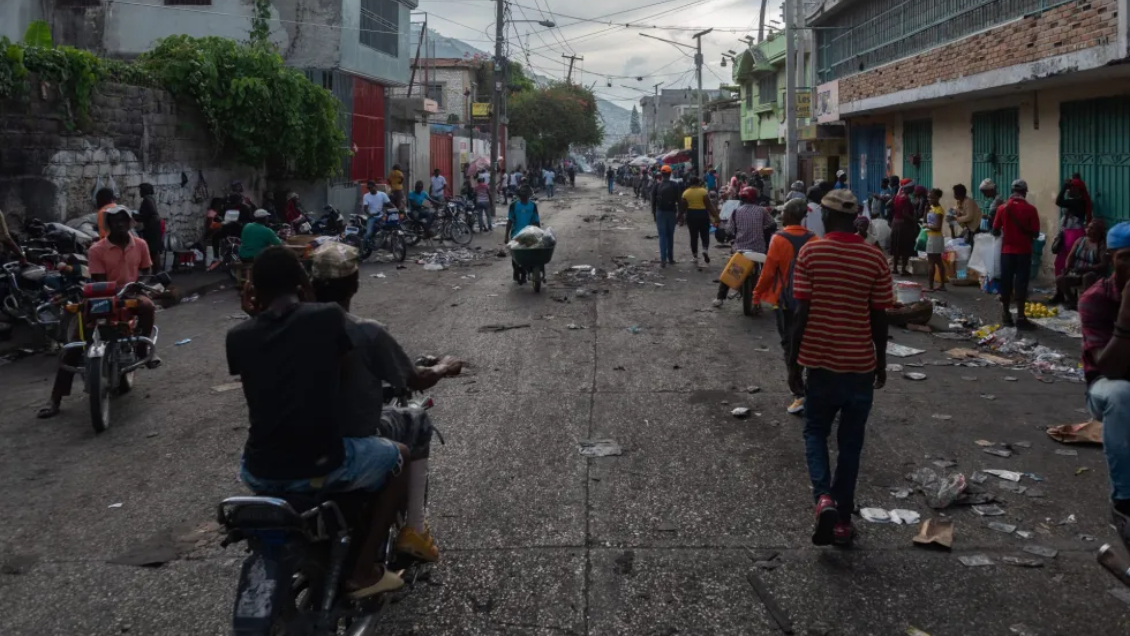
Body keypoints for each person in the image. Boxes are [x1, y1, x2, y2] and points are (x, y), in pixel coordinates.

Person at [229, 246, 407, 599]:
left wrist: (254, 313)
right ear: (302, 284)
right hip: (320, 463)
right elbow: (336, 365)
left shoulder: (237, 337)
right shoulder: (326, 318)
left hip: (257, 470)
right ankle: (363, 570)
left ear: (253, 291)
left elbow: (270, 361)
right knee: (397, 456)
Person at [307, 242, 462, 564]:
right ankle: (414, 530)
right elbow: (414, 379)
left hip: (296, 441)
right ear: (354, 284)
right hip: (346, 443)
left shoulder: (285, 328)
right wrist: (444, 367)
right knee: (416, 422)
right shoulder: (364, 331)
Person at [788, 189, 892, 547]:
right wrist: (881, 361)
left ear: (827, 218)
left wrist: (792, 364)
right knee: (851, 443)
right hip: (860, 365)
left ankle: (824, 498)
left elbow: (800, 314)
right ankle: (843, 521)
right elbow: (880, 317)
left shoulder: (811, 252)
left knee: (815, 431)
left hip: (820, 363)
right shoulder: (874, 258)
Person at [38, 206, 158, 419]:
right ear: (108, 225)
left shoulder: (140, 244)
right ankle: (55, 399)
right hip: (102, 297)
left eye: (124, 220)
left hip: (130, 294)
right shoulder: (97, 249)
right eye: (115, 221)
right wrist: (112, 296)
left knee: (148, 306)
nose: (120, 224)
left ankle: (143, 350)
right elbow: (98, 280)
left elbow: (146, 270)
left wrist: (140, 284)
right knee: (75, 345)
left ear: (130, 222)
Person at [1079, 221, 1130, 549]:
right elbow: (1109, 367)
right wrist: (1126, 313)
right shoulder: (1095, 299)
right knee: (1123, 394)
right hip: (1105, 384)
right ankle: (1124, 500)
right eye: (1126, 257)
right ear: (1111, 258)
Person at [753, 199, 816, 418]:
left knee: (789, 343)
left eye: (784, 212)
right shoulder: (813, 239)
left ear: (788, 215)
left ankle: (798, 391)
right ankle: (809, 388)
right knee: (807, 341)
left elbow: (768, 272)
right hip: (809, 300)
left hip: (785, 301)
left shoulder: (778, 239)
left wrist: (756, 294)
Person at [713, 186, 774, 308]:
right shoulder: (762, 211)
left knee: (730, 271)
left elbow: (729, 230)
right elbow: (771, 225)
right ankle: (773, 297)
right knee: (769, 272)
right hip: (759, 249)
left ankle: (720, 298)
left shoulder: (736, 212)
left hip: (740, 250)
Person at [993, 179, 1041, 329]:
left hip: (1006, 252)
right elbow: (1035, 234)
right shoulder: (1031, 209)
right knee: (1021, 283)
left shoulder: (1002, 208)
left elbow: (994, 230)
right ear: (1025, 192)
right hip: (1024, 252)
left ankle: (1006, 315)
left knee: (1005, 283)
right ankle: (1021, 316)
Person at [1054, 218, 1107, 309]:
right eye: (1088, 228)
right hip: (1077, 272)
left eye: (1091, 228)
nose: (1088, 230)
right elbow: (1071, 256)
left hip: (1093, 273)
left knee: (1087, 277)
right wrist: (1067, 267)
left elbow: (1103, 265)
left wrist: (1087, 268)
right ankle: (1073, 301)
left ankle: (1086, 303)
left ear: (1099, 232)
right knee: (1060, 279)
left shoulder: (1101, 245)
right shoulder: (1080, 240)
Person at [1055, 176, 1094, 276]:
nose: (1069, 190)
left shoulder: (1076, 202)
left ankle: (1065, 280)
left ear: (1077, 190)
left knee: (1066, 258)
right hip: (1071, 232)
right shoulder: (1080, 200)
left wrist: (1063, 187)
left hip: (1072, 233)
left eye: (1071, 188)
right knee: (1064, 258)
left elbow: (1058, 201)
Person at [506, 185, 542, 284]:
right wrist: (506, 235)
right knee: (515, 257)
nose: (524, 193)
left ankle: (525, 273)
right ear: (519, 194)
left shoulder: (533, 205)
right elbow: (510, 220)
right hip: (516, 234)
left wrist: (540, 233)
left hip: (529, 234)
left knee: (529, 255)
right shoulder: (513, 205)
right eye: (522, 191)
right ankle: (517, 270)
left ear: (529, 194)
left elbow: (536, 220)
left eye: (526, 192)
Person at [680, 177, 717, 267]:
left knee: (693, 236)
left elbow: (683, 208)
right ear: (698, 182)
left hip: (691, 215)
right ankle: (704, 249)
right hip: (702, 214)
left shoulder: (686, 193)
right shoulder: (703, 191)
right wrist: (716, 216)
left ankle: (695, 256)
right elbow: (709, 206)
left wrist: (680, 218)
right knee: (705, 234)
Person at [652, 165, 680, 268]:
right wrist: (680, 215)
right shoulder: (675, 185)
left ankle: (663, 260)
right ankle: (671, 258)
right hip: (671, 212)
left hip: (660, 213)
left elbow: (653, 202)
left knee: (662, 236)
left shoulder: (657, 185)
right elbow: (679, 200)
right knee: (670, 236)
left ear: (661, 174)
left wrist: (654, 214)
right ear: (670, 173)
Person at [889, 178, 917, 275]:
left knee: (897, 246)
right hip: (904, 225)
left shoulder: (897, 196)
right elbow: (905, 213)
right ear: (908, 188)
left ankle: (895, 268)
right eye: (913, 187)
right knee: (905, 247)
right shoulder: (905, 198)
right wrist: (914, 220)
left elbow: (889, 204)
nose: (914, 189)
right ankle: (903, 270)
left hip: (895, 223)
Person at [134, 183, 162, 271]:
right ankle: (156, 272)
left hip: (152, 228)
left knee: (153, 251)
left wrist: (133, 215)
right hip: (155, 227)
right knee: (154, 251)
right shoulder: (151, 199)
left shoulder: (147, 199)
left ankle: (156, 272)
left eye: (141, 190)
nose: (140, 192)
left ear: (145, 191)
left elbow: (145, 215)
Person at [925, 188, 947, 292]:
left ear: (938, 198)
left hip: (935, 237)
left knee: (931, 262)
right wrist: (926, 211)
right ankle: (942, 285)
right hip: (932, 237)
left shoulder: (939, 210)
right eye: (928, 197)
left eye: (932, 197)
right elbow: (926, 220)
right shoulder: (931, 208)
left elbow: (938, 227)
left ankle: (930, 286)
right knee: (938, 261)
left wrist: (927, 225)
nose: (930, 199)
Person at [362, 181, 397, 245]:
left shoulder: (382, 194)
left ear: (375, 187)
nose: (370, 189)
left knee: (389, 226)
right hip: (372, 217)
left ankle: (384, 241)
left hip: (381, 216)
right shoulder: (366, 196)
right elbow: (365, 208)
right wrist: (370, 214)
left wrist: (396, 209)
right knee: (369, 233)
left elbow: (389, 204)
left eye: (371, 187)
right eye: (369, 188)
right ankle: (362, 247)